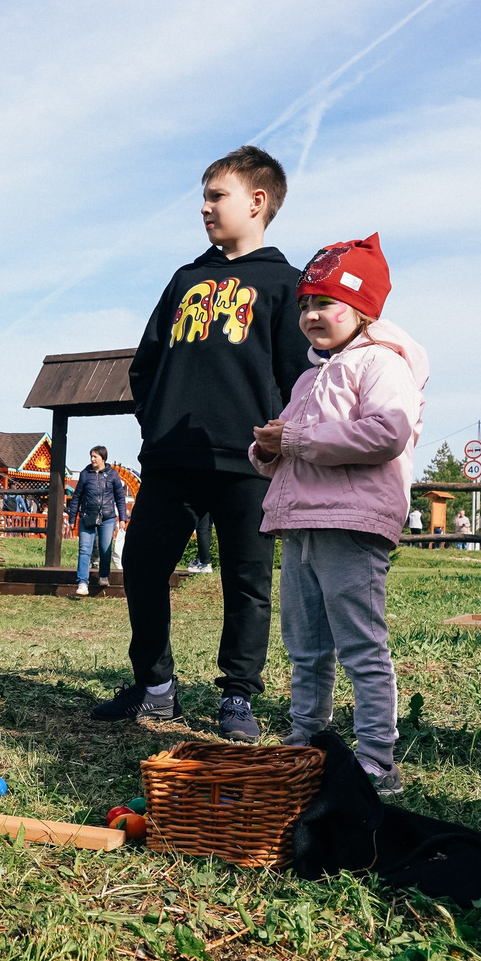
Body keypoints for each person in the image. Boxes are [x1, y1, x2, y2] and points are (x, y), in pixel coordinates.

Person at [94, 148, 311, 739]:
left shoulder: (285, 285)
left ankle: (238, 694)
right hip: (172, 457)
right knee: (141, 566)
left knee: (247, 580)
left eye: (218, 195)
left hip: (249, 463)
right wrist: (155, 424)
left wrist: (283, 441)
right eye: (206, 196)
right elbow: (145, 366)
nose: (205, 207)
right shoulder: (186, 279)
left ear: (257, 201)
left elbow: (301, 379)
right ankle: (155, 686)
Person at [248, 236, 427, 793]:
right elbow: (295, 444)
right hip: (300, 521)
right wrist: (269, 448)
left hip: (351, 524)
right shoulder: (309, 377)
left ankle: (376, 756)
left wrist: (296, 438)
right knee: (305, 643)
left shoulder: (381, 365)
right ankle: (308, 741)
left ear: (364, 308)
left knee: (359, 644)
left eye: (324, 303)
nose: (310, 315)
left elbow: (386, 432)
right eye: (304, 305)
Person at [71, 445, 128, 596]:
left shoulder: (113, 475)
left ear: (103, 458)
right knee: (84, 549)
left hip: (107, 517)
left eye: (95, 456)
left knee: (105, 549)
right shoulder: (85, 474)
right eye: (91, 456)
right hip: (87, 516)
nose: (92, 459)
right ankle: (82, 582)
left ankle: (103, 575)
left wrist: (123, 518)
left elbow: (120, 498)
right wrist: (72, 518)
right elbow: (76, 497)